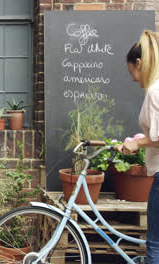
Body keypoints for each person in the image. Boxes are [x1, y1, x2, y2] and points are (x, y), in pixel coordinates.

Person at [120, 30, 159, 263]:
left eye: (131, 71)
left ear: (139, 63)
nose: (133, 78)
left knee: (154, 244)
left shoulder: (155, 91)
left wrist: (137, 143)